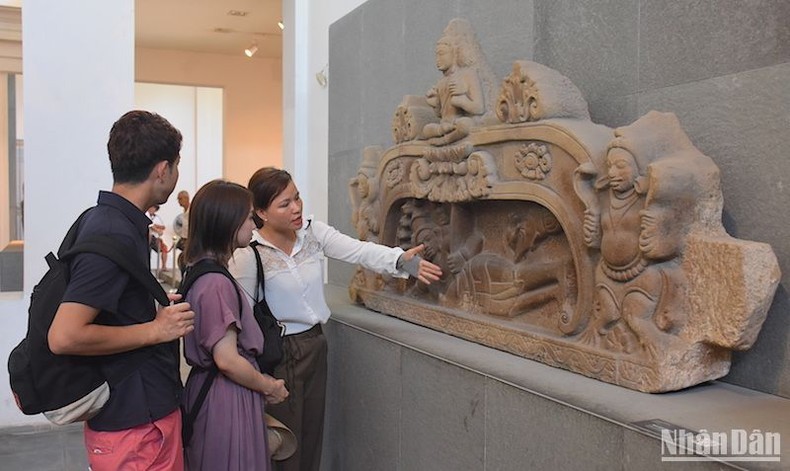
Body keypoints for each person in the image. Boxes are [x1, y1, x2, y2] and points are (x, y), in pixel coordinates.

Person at [228, 167, 442, 471]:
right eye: (285, 204)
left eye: (297, 198)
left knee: (312, 435)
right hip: (278, 352)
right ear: (261, 212)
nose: (297, 208)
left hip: (315, 344)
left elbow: (359, 251)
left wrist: (399, 260)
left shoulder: (313, 233)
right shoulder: (250, 255)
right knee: (284, 441)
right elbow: (241, 318)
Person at [47, 110, 195, 471]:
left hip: (140, 418)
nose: (176, 175)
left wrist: (152, 314)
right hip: (135, 428)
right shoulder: (111, 230)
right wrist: (155, 329)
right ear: (162, 170)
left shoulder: (111, 221)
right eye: (176, 166)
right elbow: (64, 336)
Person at [181, 179, 289, 470]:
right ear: (227, 222)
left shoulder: (204, 271)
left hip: (218, 392)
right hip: (225, 398)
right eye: (248, 216)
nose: (253, 225)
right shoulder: (216, 283)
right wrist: (269, 386)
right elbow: (227, 359)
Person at [146, 204, 169, 273]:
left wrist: (157, 226)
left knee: (164, 248)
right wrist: (157, 229)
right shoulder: (146, 214)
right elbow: (150, 225)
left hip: (155, 237)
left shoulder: (157, 217)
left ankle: (164, 266)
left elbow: (163, 226)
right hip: (147, 237)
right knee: (147, 252)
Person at [173, 190, 190, 270]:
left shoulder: (192, 210)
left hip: (189, 240)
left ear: (186, 198)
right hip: (184, 239)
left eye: (180, 199)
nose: (179, 202)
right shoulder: (184, 211)